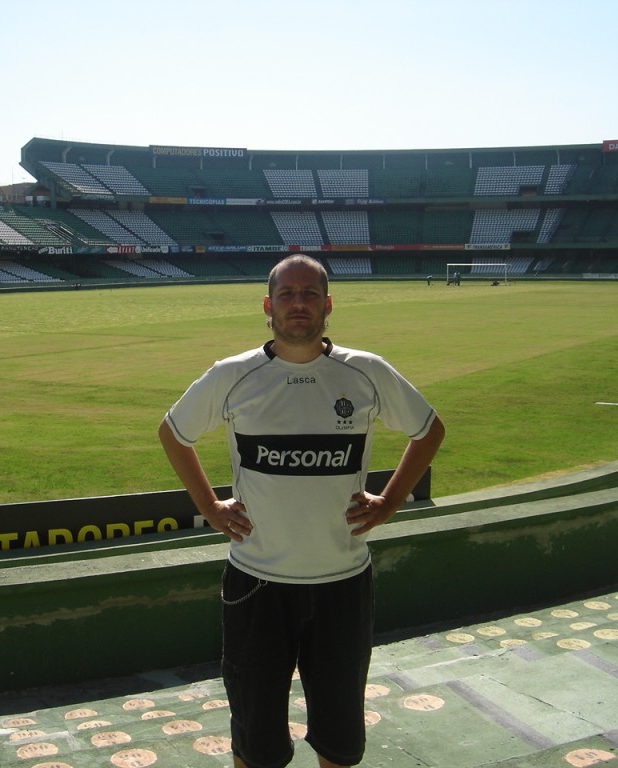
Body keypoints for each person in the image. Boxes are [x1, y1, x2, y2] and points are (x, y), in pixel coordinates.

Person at [159, 254, 445, 768]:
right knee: (256, 738)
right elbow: (173, 433)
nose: (298, 304)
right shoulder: (233, 375)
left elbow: (429, 430)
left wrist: (389, 502)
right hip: (257, 584)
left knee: (340, 740)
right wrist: (209, 505)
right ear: (268, 306)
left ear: (328, 305)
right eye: (287, 294)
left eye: (310, 293)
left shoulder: (365, 372)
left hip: (342, 583)